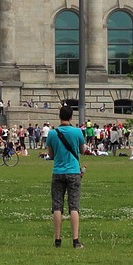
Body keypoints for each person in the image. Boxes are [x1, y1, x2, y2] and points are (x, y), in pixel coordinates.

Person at [46, 104, 85, 249]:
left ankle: (57, 240)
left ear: (59, 116)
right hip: (74, 171)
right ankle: (75, 240)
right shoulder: (77, 132)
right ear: (71, 117)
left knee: (57, 207)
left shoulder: (52, 133)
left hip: (58, 171)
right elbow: (81, 150)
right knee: (74, 207)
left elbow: (51, 154)